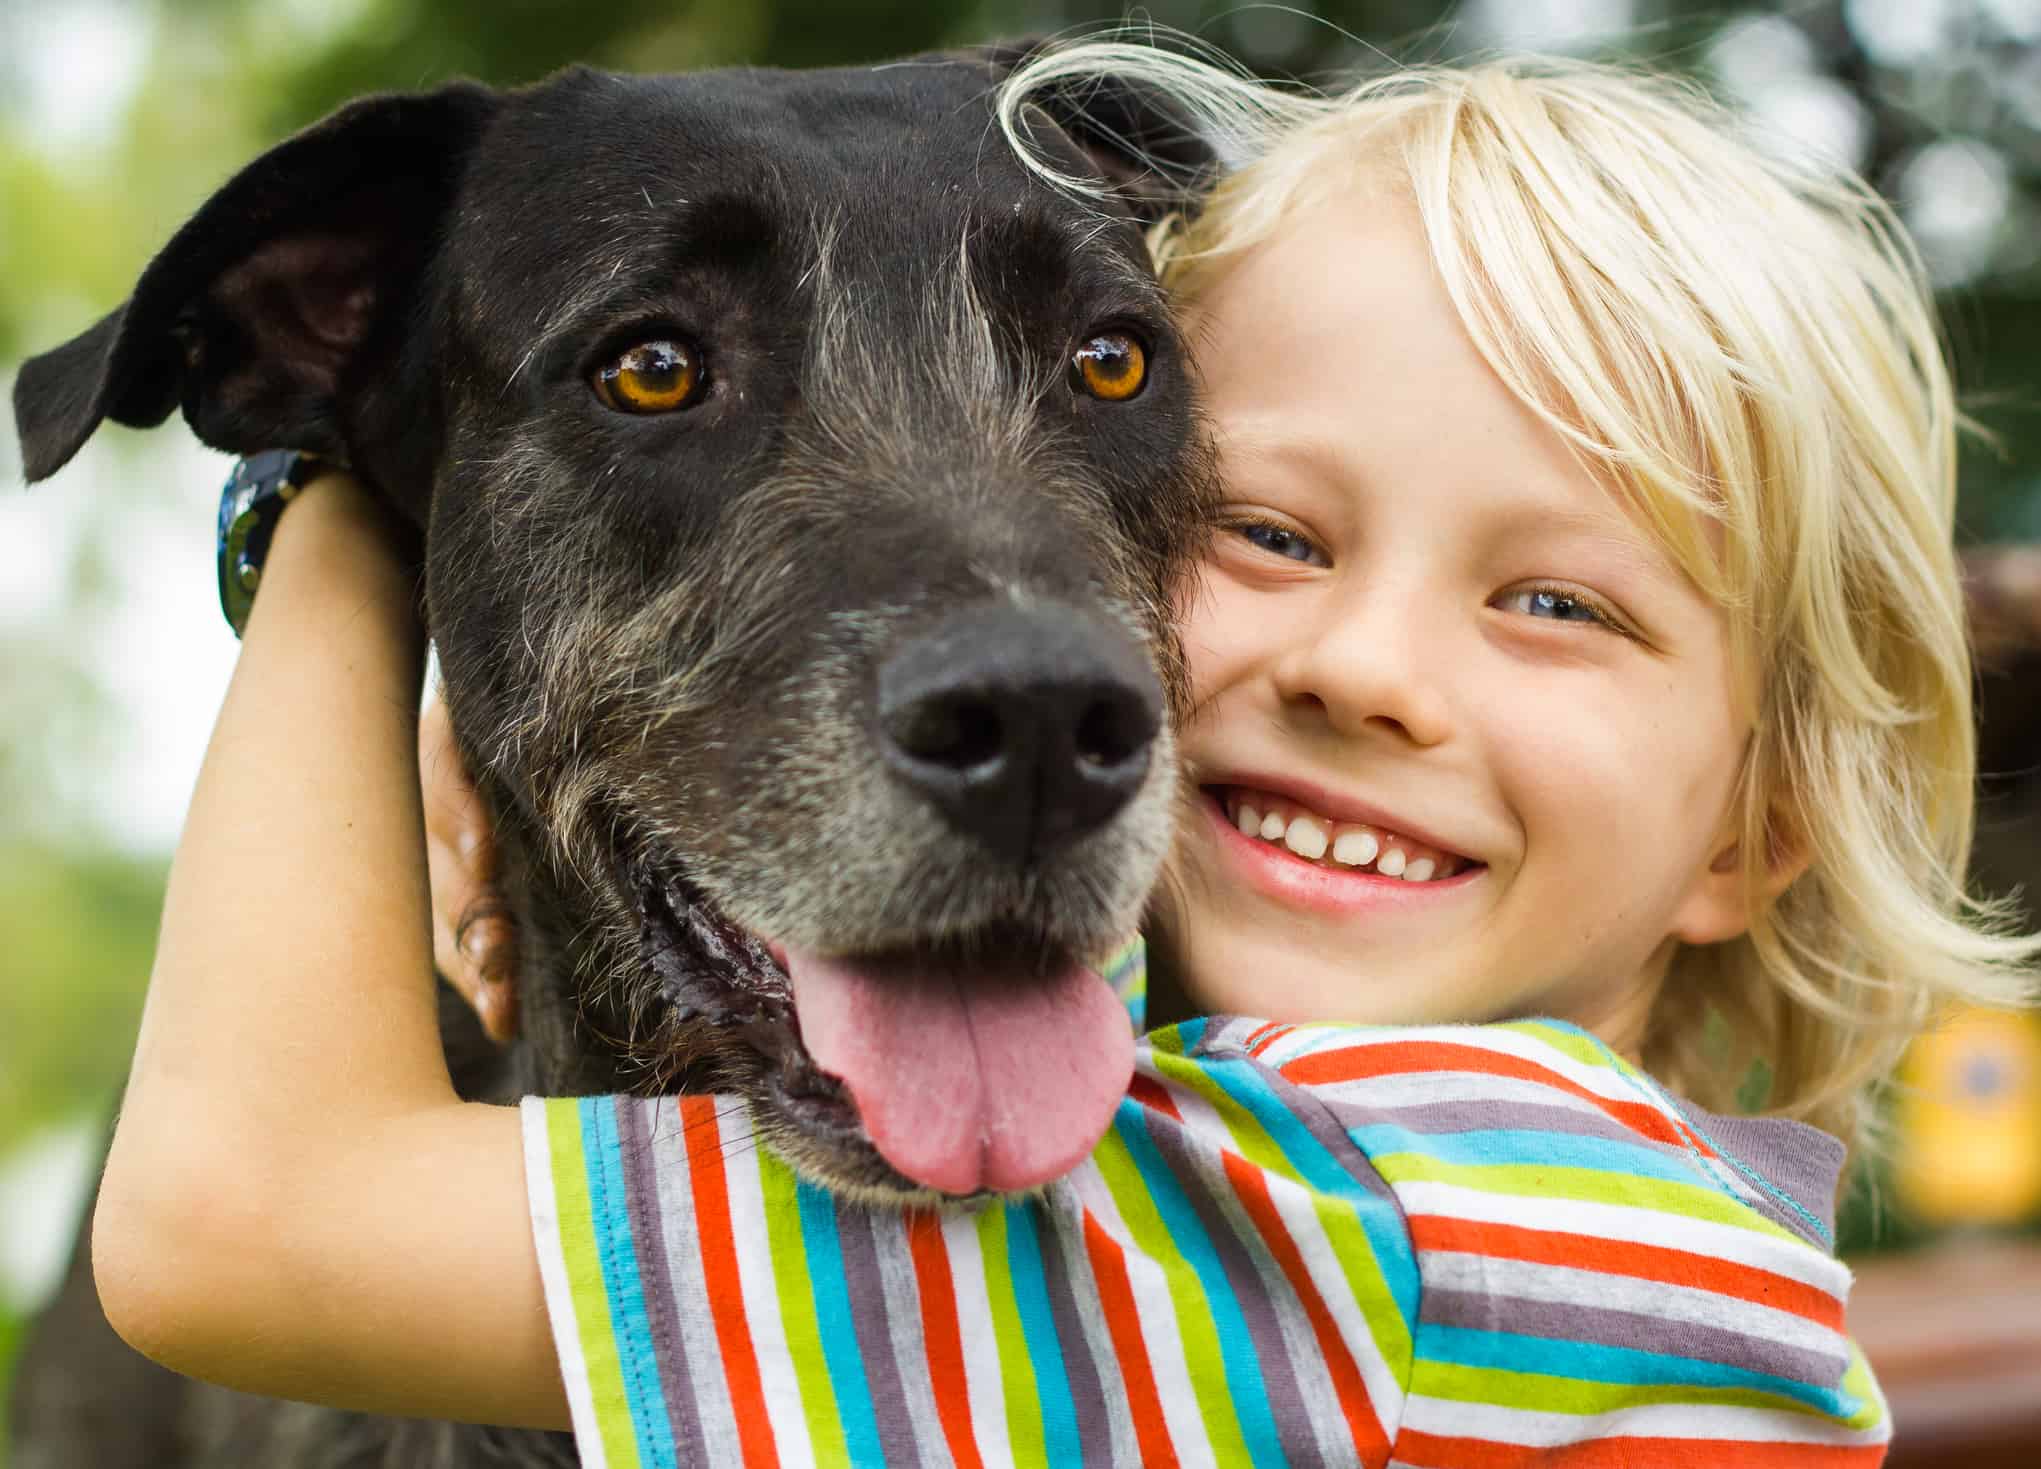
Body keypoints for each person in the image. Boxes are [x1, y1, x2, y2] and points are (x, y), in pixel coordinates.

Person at [88, 42, 2035, 1468]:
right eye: (1272, 534)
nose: (1366, 670)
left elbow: (240, 1224)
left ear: (1751, 829)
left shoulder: (1434, 1229)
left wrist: (334, 512)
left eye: (1557, 605)